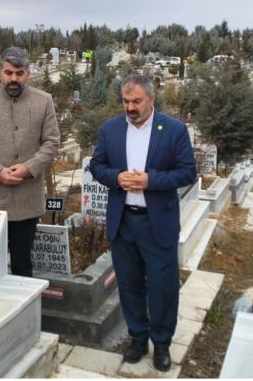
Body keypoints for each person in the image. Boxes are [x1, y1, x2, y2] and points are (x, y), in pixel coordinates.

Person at [89, 74, 196, 372]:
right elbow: (96, 166)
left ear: (151, 99)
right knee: (129, 283)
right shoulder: (111, 128)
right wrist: (116, 177)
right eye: (125, 101)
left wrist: (150, 180)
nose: (130, 107)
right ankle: (138, 338)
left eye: (136, 101)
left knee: (162, 287)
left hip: (156, 223)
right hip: (123, 221)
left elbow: (188, 172)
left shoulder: (173, 130)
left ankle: (161, 343)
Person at [0, 46, 60, 277]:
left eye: (19, 73)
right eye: (8, 73)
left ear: (28, 73)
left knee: (22, 264)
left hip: (27, 197)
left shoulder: (44, 101)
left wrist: (28, 168)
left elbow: (51, 142)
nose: (13, 79)